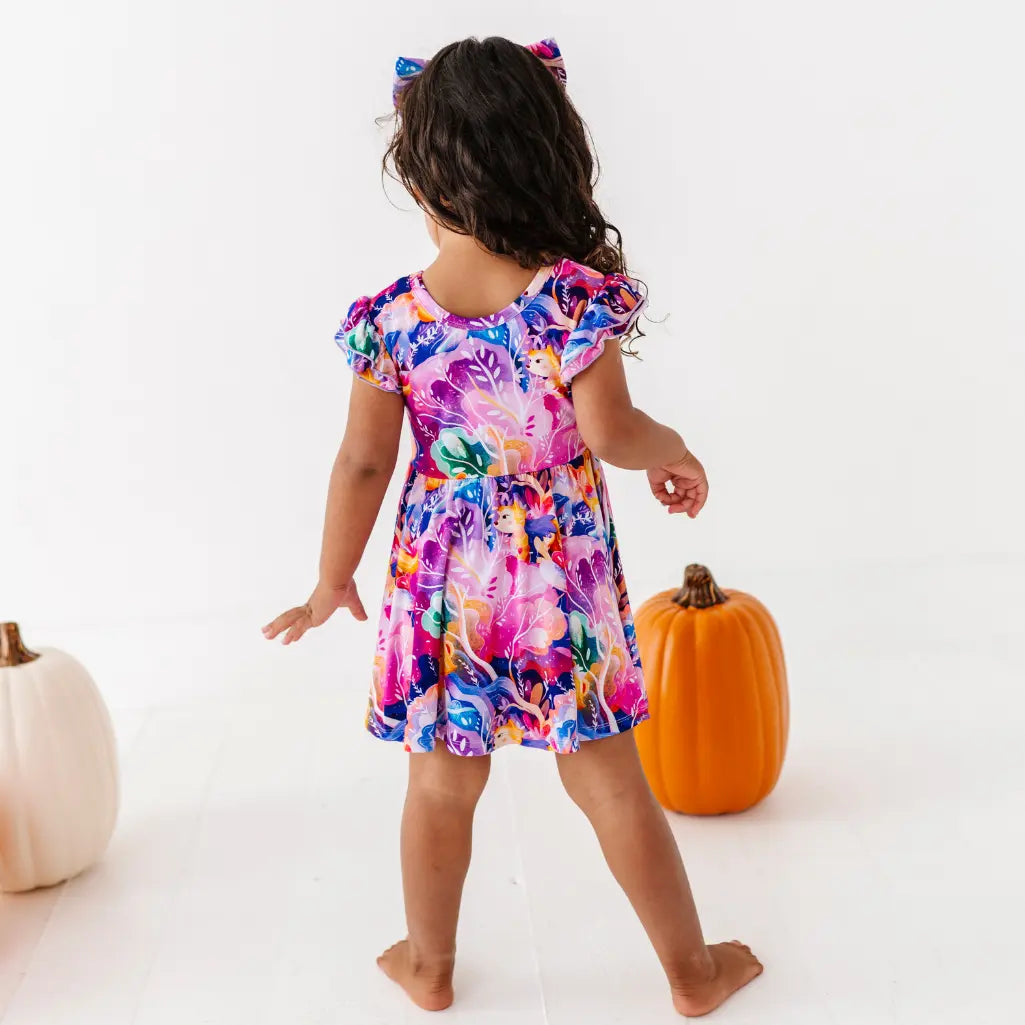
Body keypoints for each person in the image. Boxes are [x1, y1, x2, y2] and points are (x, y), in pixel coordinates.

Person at [263, 35, 762, 1018]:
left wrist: (331, 579)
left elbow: (363, 462)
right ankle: (689, 971)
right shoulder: (569, 299)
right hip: (557, 580)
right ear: (546, 159)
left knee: (441, 788)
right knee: (611, 782)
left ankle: (429, 964)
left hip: (438, 577)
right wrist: (670, 447)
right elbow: (608, 431)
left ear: (419, 173)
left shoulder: (391, 319)